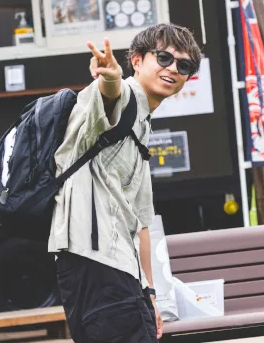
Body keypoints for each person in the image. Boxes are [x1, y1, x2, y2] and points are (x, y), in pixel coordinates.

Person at [50, 24, 202, 343]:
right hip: (96, 257)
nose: (173, 68)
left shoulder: (143, 123)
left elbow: (141, 219)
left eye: (184, 65)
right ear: (136, 60)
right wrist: (109, 76)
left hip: (113, 266)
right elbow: (108, 98)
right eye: (163, 58)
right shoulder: (123, 97)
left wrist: (149, 292)